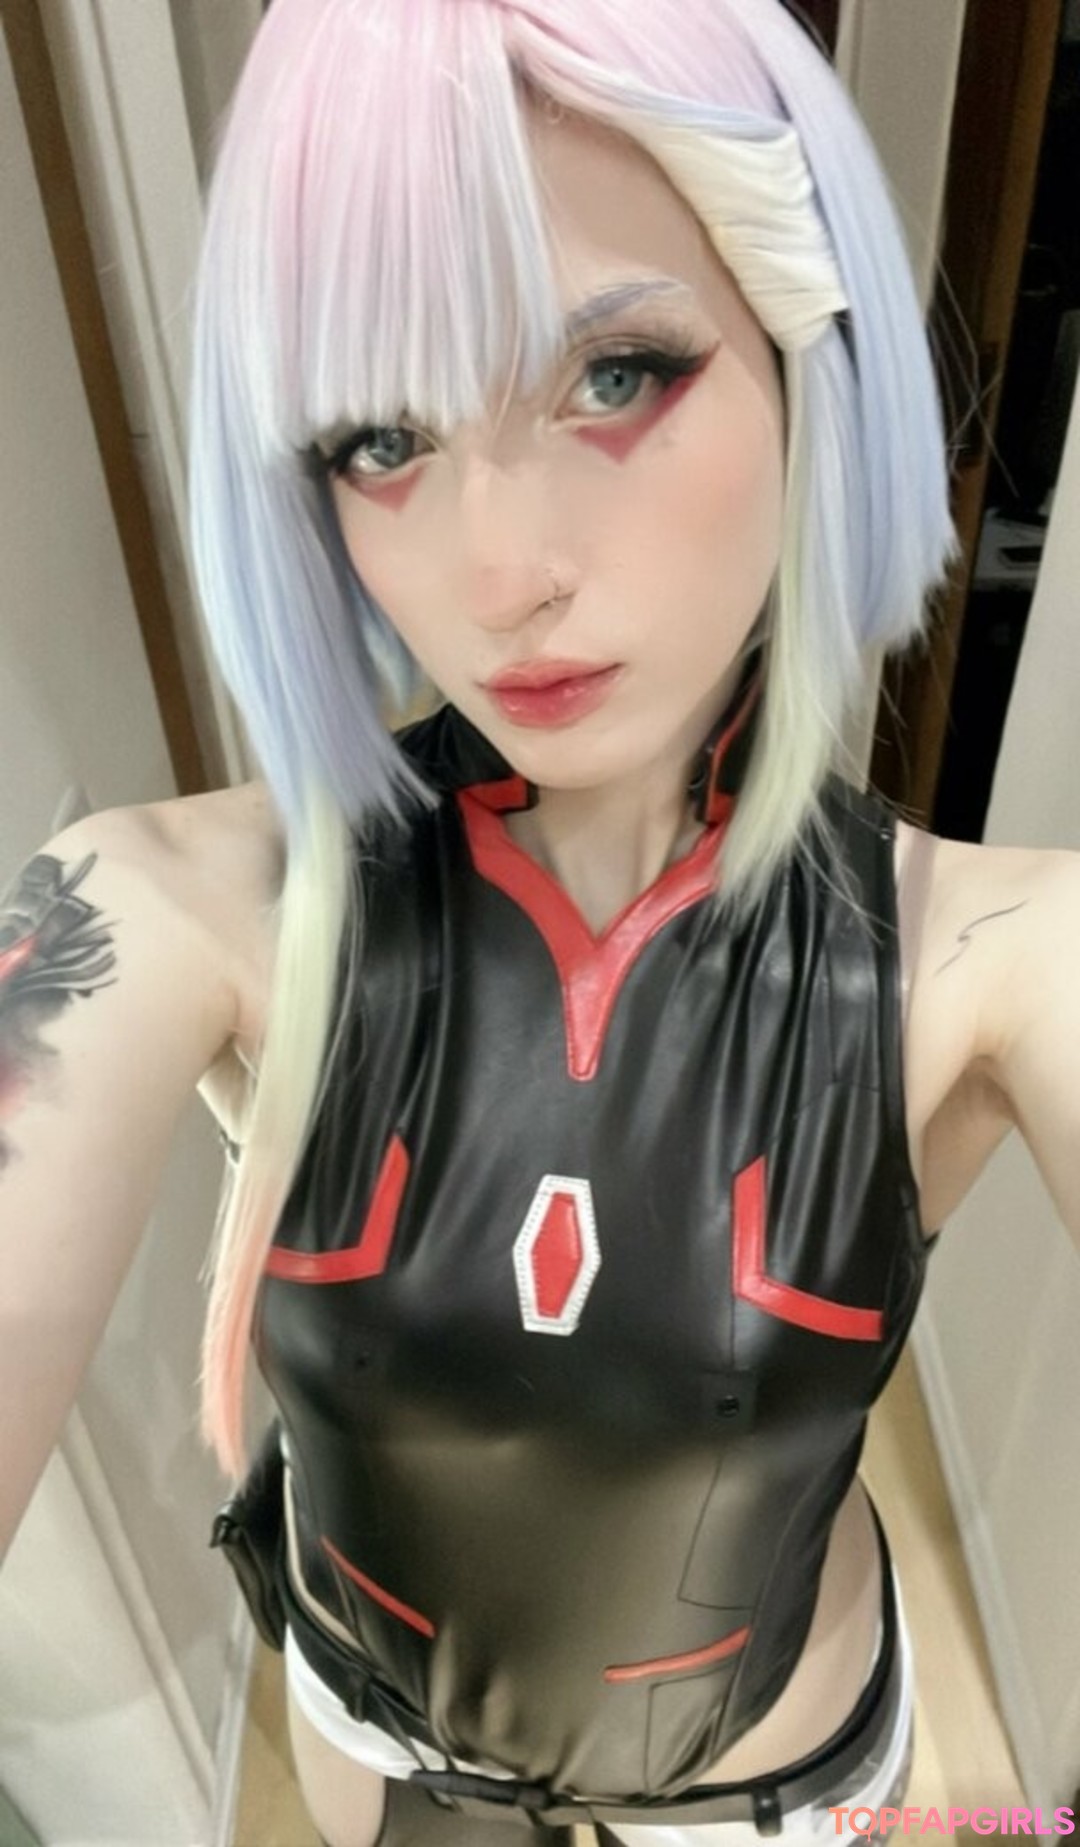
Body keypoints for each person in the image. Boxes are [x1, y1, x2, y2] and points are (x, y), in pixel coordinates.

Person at [1, 0, 1077, 1843]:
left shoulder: (997, 960)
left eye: (617, 374)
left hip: (767, 1779)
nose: (498, 572)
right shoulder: (180, 907)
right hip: (366, 1721)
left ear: (803, 355)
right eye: (381, 435)